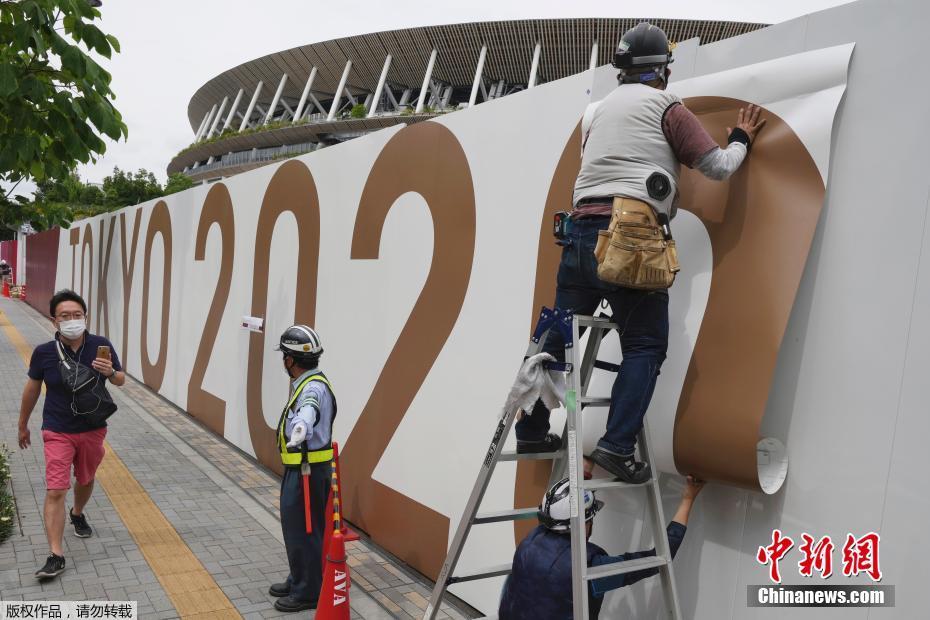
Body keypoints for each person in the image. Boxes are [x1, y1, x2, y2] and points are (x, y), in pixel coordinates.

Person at [515, 21, 765, 483]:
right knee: (645, 343)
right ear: (662, 70)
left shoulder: (595, 112)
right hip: (630, 236)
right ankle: (616, 446)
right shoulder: (668, 107)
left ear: (623, 70)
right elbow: (718, 168)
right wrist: (741, 139)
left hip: (578, 232)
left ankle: (530, 428)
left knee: (557, 339)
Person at [18, 289, 125, 579]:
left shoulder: (100, 345)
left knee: (86, 479)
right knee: (55, 489)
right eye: (65, 316)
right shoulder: (43, 352)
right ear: (55, 321)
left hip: (92, 428)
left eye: (77, 315)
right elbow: (32, 389)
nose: (72, 320)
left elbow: (121, 380)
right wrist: (23, 424)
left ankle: (77, 513)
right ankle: (56, 554)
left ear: (85, 317)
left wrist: (110, 372)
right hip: (57, 428)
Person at [499, 476, 705, 620]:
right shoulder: (589, 568)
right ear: (583, 524)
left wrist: (585, 468)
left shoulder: (530, 541)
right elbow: (657, 559)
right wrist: (688, 499)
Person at [268, 325, 337, 612]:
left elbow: (309, 411)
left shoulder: (312, 388)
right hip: (304, 471)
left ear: (290, 360)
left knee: (304, 531)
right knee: (299, 529)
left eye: (285, 356)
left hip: (307, 474)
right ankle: (300, 578)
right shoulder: (311, 382)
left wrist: (300, 427)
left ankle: (307, 592)